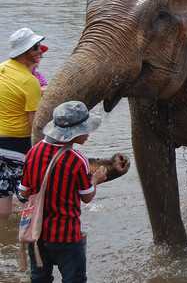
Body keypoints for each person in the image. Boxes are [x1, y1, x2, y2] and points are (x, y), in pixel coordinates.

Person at [18, 101, 107, 283]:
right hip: (66, 236)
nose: (88, 134)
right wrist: (96, 180)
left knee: (39, 279)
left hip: (37, 235)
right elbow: (87, 197)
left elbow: (24, 192)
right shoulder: (77, 160)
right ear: (73, 133)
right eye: (85, 129)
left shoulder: (33, 152)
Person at [0, 28, 46, 220]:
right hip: (18, 145)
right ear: (26, 51)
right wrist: (42, 155)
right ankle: (26, 242)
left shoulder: (2, 68)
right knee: (30, 198)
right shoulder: (29, 82)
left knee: (2, 199)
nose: (41, 51)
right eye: (36, 47)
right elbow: (33, 125)